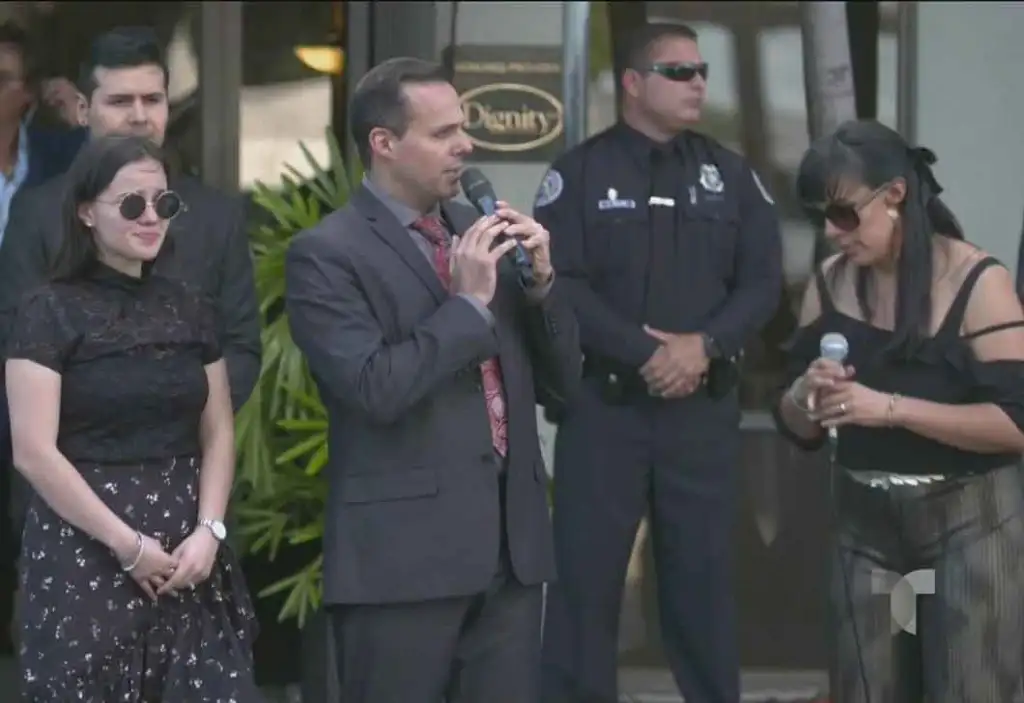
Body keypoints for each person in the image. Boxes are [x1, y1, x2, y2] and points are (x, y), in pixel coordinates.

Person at [285, 56, 581, 703]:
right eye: (444, 132)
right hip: (403, 563)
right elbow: (374, 388)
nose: (465, 145)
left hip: (511, 554)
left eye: (464, 127)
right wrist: (467, 306)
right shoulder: (327, 254)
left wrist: (542, 288)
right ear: (384, 143)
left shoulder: (480, 233)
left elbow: (564, 388)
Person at [533, 22, 783, 703]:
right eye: (678, 72)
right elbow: (560, 282)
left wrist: (702, 346)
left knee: (701, 582)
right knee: (585, 584)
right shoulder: (578, 174)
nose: (697, 82)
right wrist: (642, 350)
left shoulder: (731, 176)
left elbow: (763, 282)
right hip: (605, 410)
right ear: (634, 84)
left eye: (701, 71)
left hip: (698, 412)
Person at [773, 119, 1024, 701]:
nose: (832, 232)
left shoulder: (977, 282)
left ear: (895, 195)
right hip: (867, 528)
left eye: (844, 214)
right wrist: (804, 394)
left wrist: (890, 409)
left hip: (969, 523)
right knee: (868, 688)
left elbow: (1016, 424)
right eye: (819, 217)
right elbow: (799, 428)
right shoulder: (830, 283)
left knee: (968, 687)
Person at [5, 134, 262, 701]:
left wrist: (210, 531)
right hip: (85, 552)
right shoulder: (47, 310)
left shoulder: (191, 306)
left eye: (163, 202)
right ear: (85, 212)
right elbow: (33, 451)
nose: (151, 217)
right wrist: (128, 546)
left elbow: (218, 431)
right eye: (131, 204)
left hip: (189, 557)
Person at [0, 26, 261, 533]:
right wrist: (114, 422)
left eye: (152, 99)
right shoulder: (37, 213)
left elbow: (241, 347)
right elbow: (13, 342)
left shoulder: (216, 217)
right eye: (120, 101)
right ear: (82, 109)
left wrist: (168, 424)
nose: (139, 116)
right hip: (66, 489)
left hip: (189, 487)